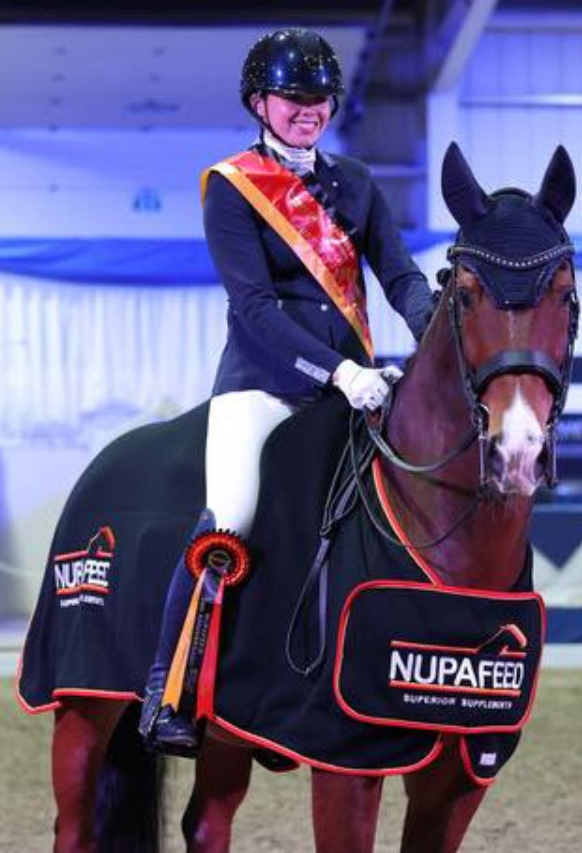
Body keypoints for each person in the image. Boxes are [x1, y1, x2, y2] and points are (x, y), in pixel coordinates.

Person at [140, 27, 434, 754]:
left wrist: (437, 336)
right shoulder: (232, 188)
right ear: (259, 102)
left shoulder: (357, 184)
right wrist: (339, 373)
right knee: (229, 518)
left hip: (360, 383)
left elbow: (398, 277)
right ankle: (164, 690)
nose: (309, 109)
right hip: (266, 384)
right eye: (293, 97)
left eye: (319, 97)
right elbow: (254, 311)